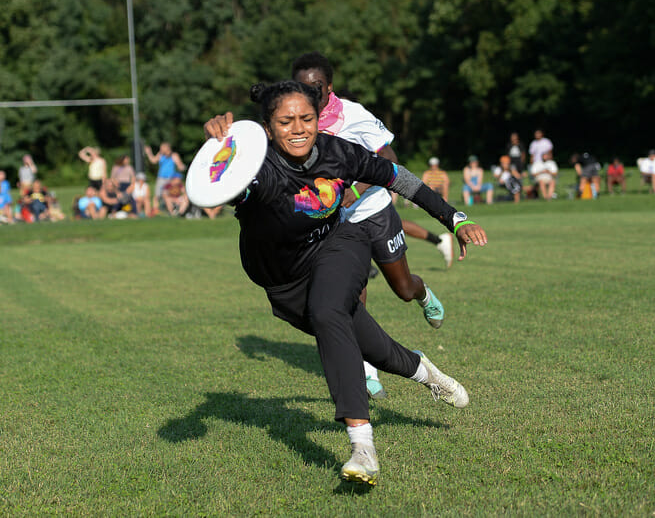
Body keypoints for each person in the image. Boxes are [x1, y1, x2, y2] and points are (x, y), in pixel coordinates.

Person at [203, 80, 487, 486]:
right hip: (285, 284)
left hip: (342, 244)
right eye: (286, 121)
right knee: (374, 347)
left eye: (307, 118)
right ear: (267, 128)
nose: (299, 128)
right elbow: (214, 187)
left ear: (319, 120)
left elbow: (399, 178)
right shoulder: (256, 166)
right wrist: (219, 146)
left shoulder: (337, 152)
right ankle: (427, 372)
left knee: (328, 312)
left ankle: (362, 447)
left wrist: (455, 218)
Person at [290, 52, 453, 398]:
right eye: (302, 89)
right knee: (352, 304)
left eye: (316, 88)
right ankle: (367, 370)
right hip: (337, 228)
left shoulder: (353, 115)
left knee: (402, 288)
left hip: (376, 214)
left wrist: (354, 189)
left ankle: (422, 294)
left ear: (329, 88)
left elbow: (389, 160)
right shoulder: (294, 124)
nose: (310, 95)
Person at [145, 142, 186, 213]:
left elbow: (180, 165)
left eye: (162, 148)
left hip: (171, 179)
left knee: (170, 194)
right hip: (161, 177)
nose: (160, 149)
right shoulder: (160, 155)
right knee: (157, 195)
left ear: (167, 148)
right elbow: (153, 160)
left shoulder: (174, 155)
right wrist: (149, 153)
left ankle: (174, 209)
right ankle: (155, 210)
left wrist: (182, 167)